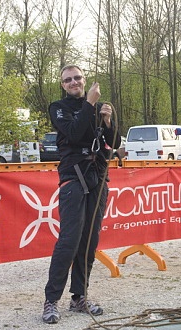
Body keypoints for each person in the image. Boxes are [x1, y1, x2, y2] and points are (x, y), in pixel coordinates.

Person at [42, 64, 121, 324]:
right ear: (63, 85)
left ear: (84, 80)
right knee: (70, 240)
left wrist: (107, 121)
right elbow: (74, 133)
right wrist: (89, 104)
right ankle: (51, 300)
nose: (73, 82)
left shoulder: (97, 107)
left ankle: (79, 296)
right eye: (68, 80)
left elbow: (114, 143)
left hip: (97, 176)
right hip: (73, 177)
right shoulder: (58, 108)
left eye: (77, 78)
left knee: (89, 240)